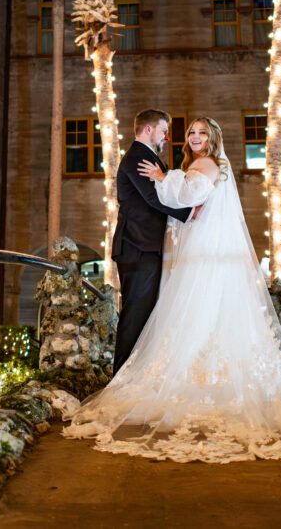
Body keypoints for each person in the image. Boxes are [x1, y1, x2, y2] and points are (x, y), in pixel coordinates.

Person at [63, 117, 281, 463]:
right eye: (190, 133)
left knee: (190, 310)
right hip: (154, 248)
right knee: (153, 312)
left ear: (213, 138)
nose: (193, 137)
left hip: (201, 252)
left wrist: (165, 179)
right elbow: (167, 200)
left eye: (201, 133)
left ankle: (167, 378)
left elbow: (185, 196)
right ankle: (124, 375)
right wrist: (168, 183)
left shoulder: (210, 164)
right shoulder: (155, 159)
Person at [110, 109, 192, 374]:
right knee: (135, 313)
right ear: (148, 129)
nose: (167, 137)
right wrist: (190, 214)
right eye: (163, 130)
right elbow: (153, 198)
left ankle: (134, 376)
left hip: (147, 248)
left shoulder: (149, 158)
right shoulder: (137, 157)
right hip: (136, 247)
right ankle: (120, 377)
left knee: (145, 314)